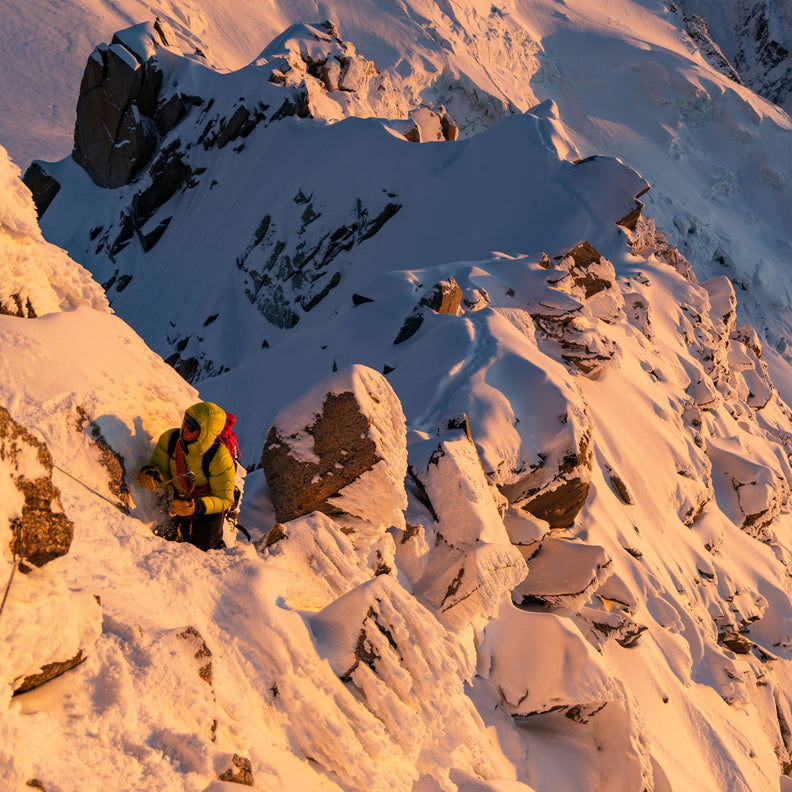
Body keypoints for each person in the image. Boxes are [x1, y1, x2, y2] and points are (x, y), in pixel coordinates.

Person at [137, 402, 236, 551]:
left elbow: (225, 498)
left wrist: (197, 507)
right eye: (186, 421)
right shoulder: (170, 439)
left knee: (205, 550)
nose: (186, 429)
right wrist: (152, 475)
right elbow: (162, 469)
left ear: (206, 432)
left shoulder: (219, 457)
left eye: (193, 426)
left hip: (207, 507)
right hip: (180, 500)